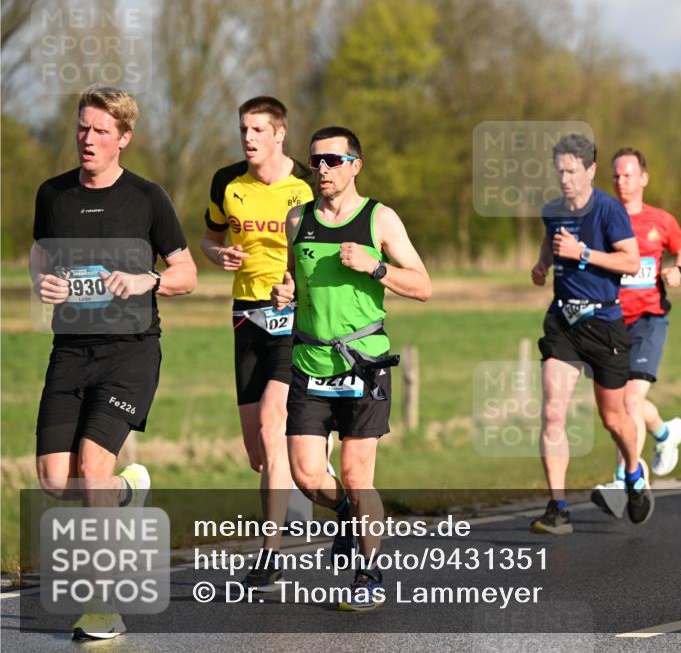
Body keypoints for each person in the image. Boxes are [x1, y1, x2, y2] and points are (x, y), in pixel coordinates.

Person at [30, 85, 197, 640]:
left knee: (91, 467)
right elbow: (41, 253)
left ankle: (104, 605)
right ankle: (130, 489)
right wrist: (43, 282)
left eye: (101, 130)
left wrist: (147, 278)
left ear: (124, 138)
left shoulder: (148, 198)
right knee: (56, 481)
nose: (88, 138)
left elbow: (186, 273)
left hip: (131, 352)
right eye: (83, 127)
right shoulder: (52, 195)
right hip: (70, 352)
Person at [271, 126, 431, 611]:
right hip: (309, 361)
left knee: (357, 474)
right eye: (316, 161)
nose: (322, 169)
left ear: (355, 165)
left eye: (333, 161)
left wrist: (375, 266)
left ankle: (369, 572)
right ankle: (344, 511)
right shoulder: (296, 219)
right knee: (305, 475)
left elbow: (423, 285)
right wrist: (285, 292)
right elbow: (292, 280)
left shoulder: (379, 219)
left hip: (364, 363)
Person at [200, 96, 313, 590]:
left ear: (279, 134)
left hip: (294, 316)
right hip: (246, 316)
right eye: (243, 129)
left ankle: (270, 555)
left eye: (258, 130)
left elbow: (327, 250)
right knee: (259, 454)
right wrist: (217, 254)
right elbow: (206, 238)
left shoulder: (309, 182)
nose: (248, 138)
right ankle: (316, 475)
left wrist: (297, 284)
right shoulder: (227, 182)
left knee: (272, 424)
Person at [529, 133, 651, 535]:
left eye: (572, 171)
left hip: (604, 324)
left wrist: (582, 253)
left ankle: (633, 474)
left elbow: (631, 261)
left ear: (590, 170)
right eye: (559, 170)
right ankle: (558, 508)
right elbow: (551, 241)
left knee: (613, 417)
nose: (564, 179)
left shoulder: (609, 210)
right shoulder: (552, 210)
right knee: (551, 412)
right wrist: (542, 264)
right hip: (563, 322)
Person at [591, 147, 681, 518]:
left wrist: (679, 270)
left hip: (649, 319)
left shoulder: (660, 220)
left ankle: (625, 480)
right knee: (621, 404)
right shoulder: (602, 219)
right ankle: (665, 433)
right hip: (611, 321)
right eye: (616, 175)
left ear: (644, 178)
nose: (621, 181)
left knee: (630, 402)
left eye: (629, 174)